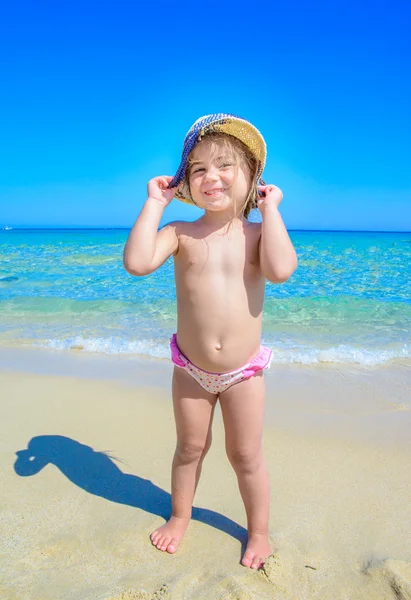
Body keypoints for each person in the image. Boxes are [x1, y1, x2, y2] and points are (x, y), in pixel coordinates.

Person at [123, 114, 298, 569]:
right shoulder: (180, 232)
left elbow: (280, 271)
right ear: (186, 182)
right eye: (197, 169)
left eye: (224, 165)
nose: (210, 176)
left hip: (243, 373)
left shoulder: (258, 234)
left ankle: (258, 532)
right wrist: (154, 205)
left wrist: (272, 210)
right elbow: (138, 263)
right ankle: (180, 516)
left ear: (252, 178)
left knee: (245, 455)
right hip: (191, 369)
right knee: (189, 448)